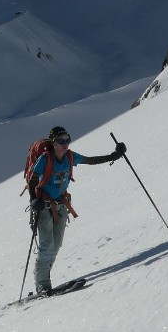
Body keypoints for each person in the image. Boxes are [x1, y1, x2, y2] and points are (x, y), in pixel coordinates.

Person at [28, 125, 125, 295]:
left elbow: (90, 160)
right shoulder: (45, 159)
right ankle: (42, 285)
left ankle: (44, 277)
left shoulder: (70, 157)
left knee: (56, 245)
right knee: (46, 246)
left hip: (61, 205)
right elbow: (32, 180)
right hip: (44, 207)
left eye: (67, 139)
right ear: (53, 142)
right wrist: (33, 199)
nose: (65, 143)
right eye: (61, 140)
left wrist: (114, 156)